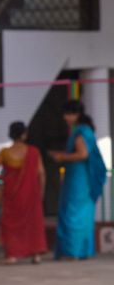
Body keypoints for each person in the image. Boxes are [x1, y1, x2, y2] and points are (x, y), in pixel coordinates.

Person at [0, 121, 46, 264]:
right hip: (31, 194)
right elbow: (41, 173)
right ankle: (36, 255)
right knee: (32, 223)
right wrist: (41, 192)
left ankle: (12, 255)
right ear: (24, 134)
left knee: (10, 223)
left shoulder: (5, 153)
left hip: (11, 194)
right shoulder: (34, 152)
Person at [48, 99, 107, 260]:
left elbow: (83, 154)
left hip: (78, 178)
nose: (65, 118)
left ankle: (73, 251)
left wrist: (61, 156)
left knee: (73, 214)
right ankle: (82, 250)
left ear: (76, 114)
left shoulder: (80, 131)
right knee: (84, 214)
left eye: (68, 114)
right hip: (83, 177)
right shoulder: (86, 130)